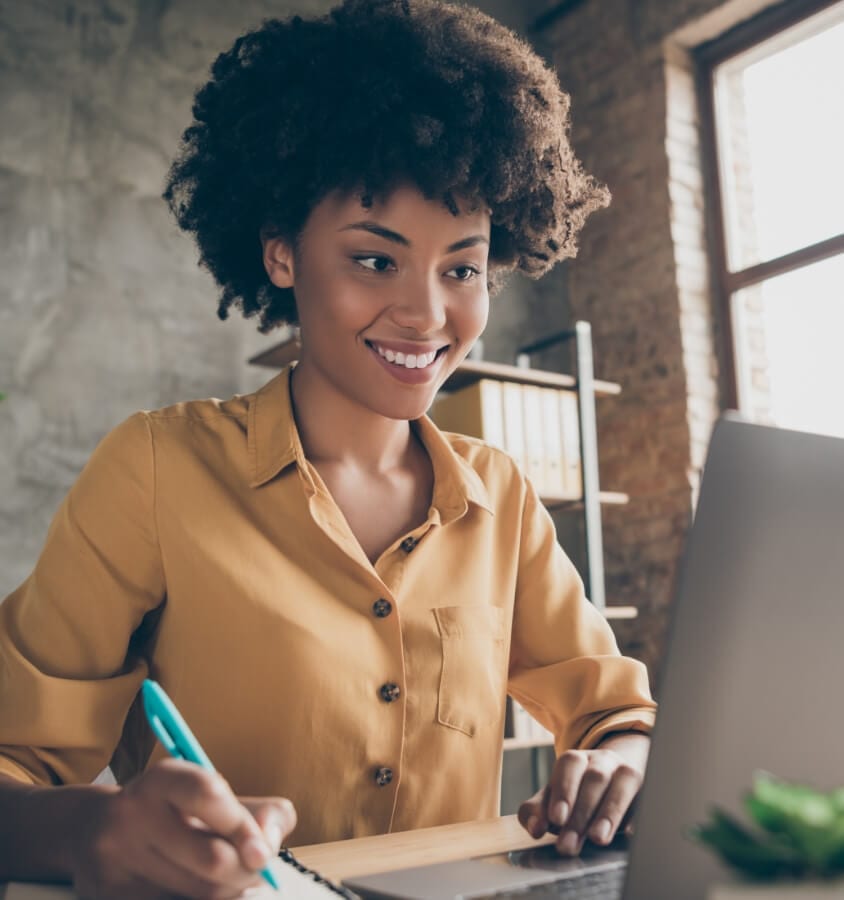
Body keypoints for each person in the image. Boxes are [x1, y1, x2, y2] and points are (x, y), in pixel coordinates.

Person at [0, 0, 657, 896]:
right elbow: (13, 768)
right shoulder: (156, 471)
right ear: (280, 254)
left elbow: (616, 712)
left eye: (462, 267)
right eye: (375, 260)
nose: (429, 314)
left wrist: (623, 759)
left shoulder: (498, 495)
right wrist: (95, 829)